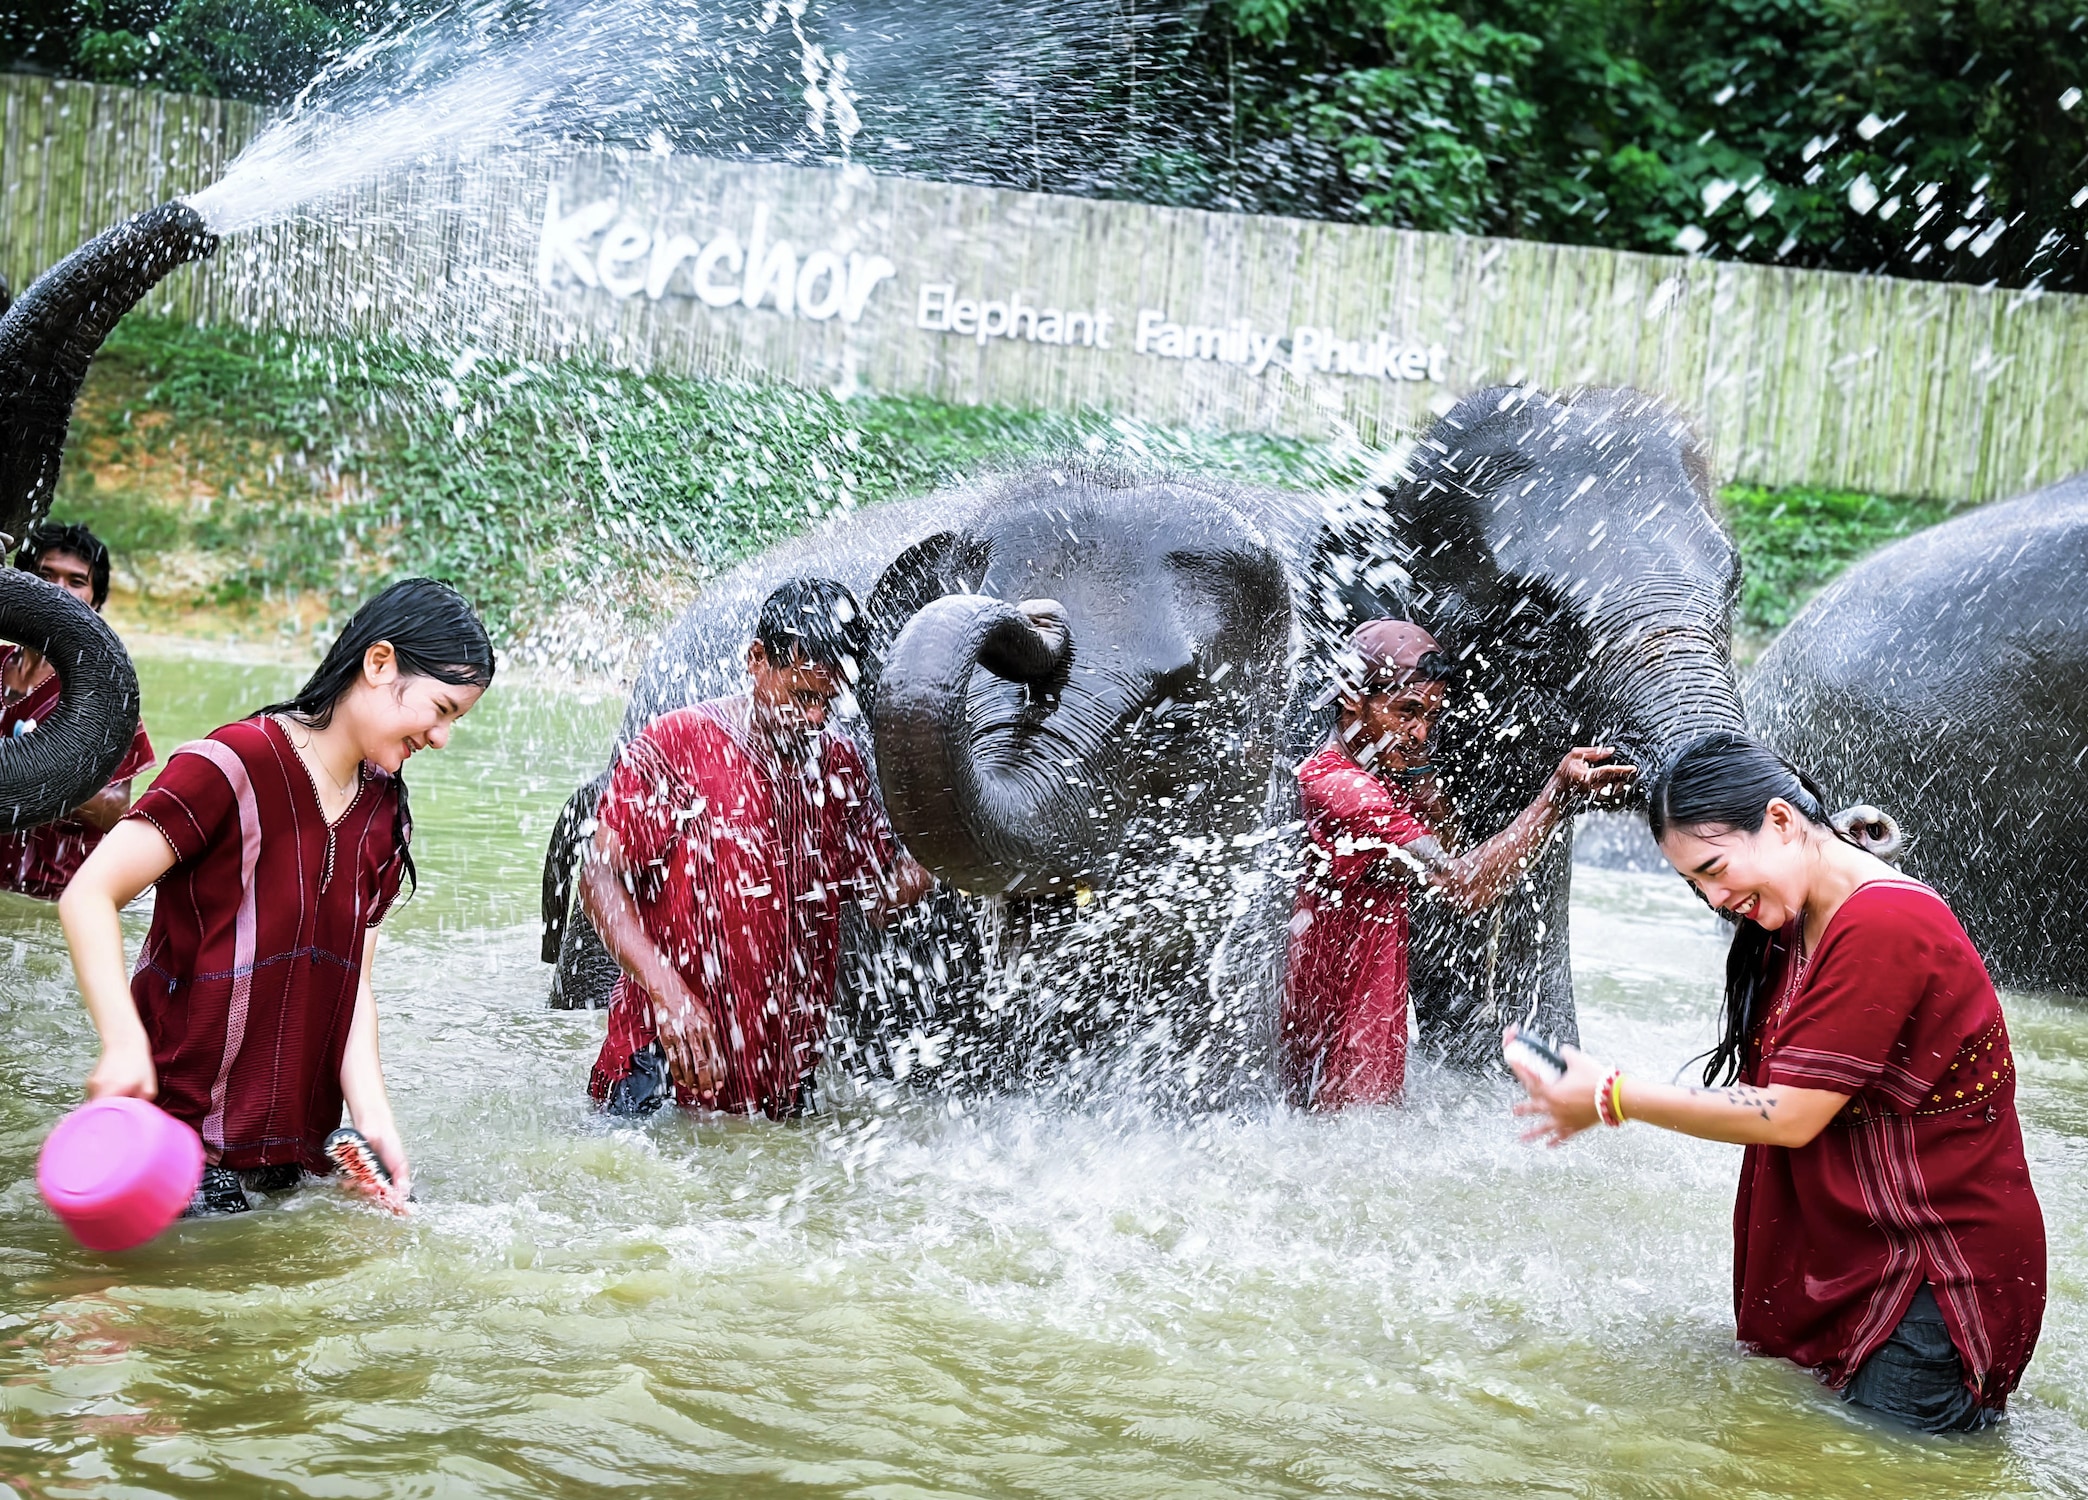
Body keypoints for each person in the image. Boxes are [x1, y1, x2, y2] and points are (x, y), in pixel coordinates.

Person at [1507, 730, 2046, 1433]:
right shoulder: (1806, 911)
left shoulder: (1885, 921)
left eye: (1714, 867)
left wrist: (1612, 1095)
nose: (1713, 897)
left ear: (1783, 821)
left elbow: (1789, 1115)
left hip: (1926, 1277)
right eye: (1694, 883)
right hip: (1865, 1254)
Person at [58, 578, 494, 1215]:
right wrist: (121, 1042)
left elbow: (355, 986)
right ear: (380, 663)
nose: (441, 737)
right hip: (173, 1147)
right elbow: (89, 893)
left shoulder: (384, 811)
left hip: (298, 1160)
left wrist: (374, 1120)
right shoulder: (231, 763)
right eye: (443, 708)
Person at [584, 577, 933, 1119]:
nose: (817, 716)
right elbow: (599, 878)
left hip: (779, 1080)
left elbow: (881, 897)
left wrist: (927, 859)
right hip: (661, 1065)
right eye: (803, 696)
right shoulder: (676, 745)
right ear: (756, 659)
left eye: (829, 700)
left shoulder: (838, 765)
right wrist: (669, 995)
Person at [1281, 619, 1634, 1110]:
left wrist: (1420, 771)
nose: (1420, 732)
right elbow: (1466, 887)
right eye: (1406, 712)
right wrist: (1554, 797)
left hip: (1352, 1036)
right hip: (1342, 1049)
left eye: (1429, 717)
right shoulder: (1346, 790)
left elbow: (1452, 850)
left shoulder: (1371, 775)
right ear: (1350, 698)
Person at [0, 523, 156, 899]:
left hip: (47, 894)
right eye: (44, 575)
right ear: (21, 585)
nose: (57, 590)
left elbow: (116, 812)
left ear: (95, 601)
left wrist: (46, 768)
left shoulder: (101, 693)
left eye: (75, 581)